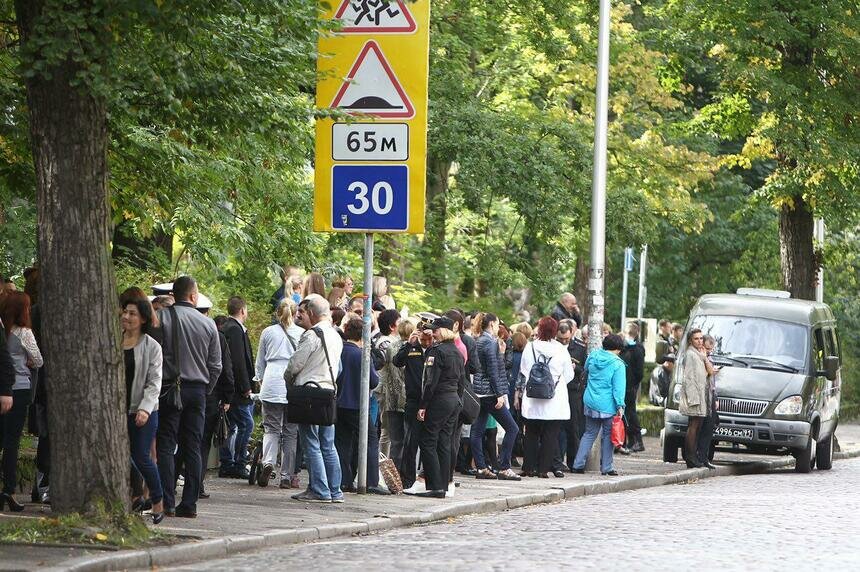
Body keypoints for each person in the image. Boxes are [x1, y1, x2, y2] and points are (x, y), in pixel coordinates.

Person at [156, 276, 222, 518]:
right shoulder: (208, 324)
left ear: (174, 295)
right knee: (193, 446)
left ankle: (167, 500)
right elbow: (216, 365)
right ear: (193, 296)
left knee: (165, 443)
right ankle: (190, 503)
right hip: (198, 391)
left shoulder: (162, 318)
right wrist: (206, 389)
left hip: (168, 387)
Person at [284, 294, 344, 503]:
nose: (300, 315)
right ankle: (335, 490)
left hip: (309, 394)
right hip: (327, 393)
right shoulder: (336, 336)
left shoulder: (312, 335)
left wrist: (288, 380)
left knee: (311, 442)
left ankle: (319, 489)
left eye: (303, 312)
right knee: (328, 444)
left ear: (311, 313)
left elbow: (294, 365)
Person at [121, 298, 165, 523]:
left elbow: (154, 382)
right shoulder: (114, 341)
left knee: (141, 456)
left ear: (144, 319)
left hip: (144, 411)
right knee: (120, 456)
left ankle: (157, 500)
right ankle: (132, 497)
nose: (126, 317)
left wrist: (145, 409)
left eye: (133, 314)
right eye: (125, 312)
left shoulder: (152, 347)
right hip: (117, 411)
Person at [515, 317, 574, 478]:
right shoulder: (561, 350)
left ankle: (528, 467)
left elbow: (524, 369)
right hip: (555, 398)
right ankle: (543, 469)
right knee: (550, 435)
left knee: (531, 434)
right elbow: (569, 375)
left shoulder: (531, 347)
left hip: (533, 398)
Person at [415, 316, 466, 498]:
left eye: (435, 330)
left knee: (428, 441)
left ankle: (435, 486)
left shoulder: (436, 352)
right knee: (445, 442)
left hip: (439, 399)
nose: (432, 332)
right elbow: (462, 382)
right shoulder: (457, 352)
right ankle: (443, 485)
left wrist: (423, 405)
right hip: (453, 400)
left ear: (442, 331)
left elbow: (430, 382)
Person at [333, 318, 386, 494]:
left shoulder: (338, 351)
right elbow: (373, 381)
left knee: (342, 442)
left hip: (339, 403)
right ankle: (371, 481)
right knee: (371, 439)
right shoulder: (362, 354)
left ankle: (343, 480)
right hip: (357, 405)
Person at [0, 292, 43, 511]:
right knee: (12, 441)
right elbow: (38, 359)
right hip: (19, 388)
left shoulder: (3, 331)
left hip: (2, 389)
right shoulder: (24, 333)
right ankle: (8, 489)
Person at [256, 298, 303, 488]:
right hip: (291, 384)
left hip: (271, 381)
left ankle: (267, 462)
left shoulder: (268, 332)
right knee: (291, 432)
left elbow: (260, 362)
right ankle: (286, 474)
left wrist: (260, 382)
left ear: (277, 313)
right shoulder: (302, 334)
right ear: (296, 313)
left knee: (271, 428)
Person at [469, 313, 521, 481]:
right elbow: (493, 370)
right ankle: (504, 467)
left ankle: (481, 467)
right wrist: (499, 394)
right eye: (497, 324)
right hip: (490, 393)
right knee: (513, 428)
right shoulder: (490, 342)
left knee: (477, 432)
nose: (499, 327)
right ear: (491, 324)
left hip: (479, 391)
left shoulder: (477, 340)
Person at [571, 334, 626, 476]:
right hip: (608, 404)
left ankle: (577, 464)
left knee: (589, 433)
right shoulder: (618, 364)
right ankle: (607, 467)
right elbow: (618, 388)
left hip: (590, 400)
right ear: (618, 348)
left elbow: (586, 371)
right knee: (608, 436)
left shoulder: (593, 356)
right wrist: (620, 405)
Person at [393, 313, 436, 487]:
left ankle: (429, 477)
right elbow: (397, 361)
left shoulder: (436, 349)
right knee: (410, 441)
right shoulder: (412, 347)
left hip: (432, 401)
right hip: (413, 400)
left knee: (431, 441)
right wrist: (407, 345)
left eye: (428, 334)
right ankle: (407, 478)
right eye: (422, 333)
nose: (425, 338)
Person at [219, 296, 255, 479]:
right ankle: (239, 462)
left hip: (230, 386)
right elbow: (238, 361)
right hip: (236, 388)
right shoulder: (234, 330)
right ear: (243, 310)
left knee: (232, 425)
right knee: (246, 424)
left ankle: (227, 462)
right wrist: (246, 386)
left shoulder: (227, 328)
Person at [200, 315, 235, 497]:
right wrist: (228, 396)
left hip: (181, 390)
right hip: (210, 394)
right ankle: (197, 485)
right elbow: (223, 367)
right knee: (203, 442)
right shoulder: (216, 335)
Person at [680, 328, 713, 469]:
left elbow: (707, 373)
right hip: (695, 396)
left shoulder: (699, 354)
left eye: (701, 338)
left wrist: (705, 358)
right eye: (696, 339)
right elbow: (689, 378)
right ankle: (690, 457)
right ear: (690, 340)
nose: (699, 341)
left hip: (701, 395)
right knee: (693, 426)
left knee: (697, 426)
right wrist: (694, 399)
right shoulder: (690, 355)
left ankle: (693, 457)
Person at [376, 310, 406, 465]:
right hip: (386, 392)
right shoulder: (387, 343)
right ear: (392, 325)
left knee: (388, 431)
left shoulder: (388, 341)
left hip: (388, 391)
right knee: (386, 430)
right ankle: (383, 464)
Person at [559, 319, 587, 470]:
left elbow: (585, 369)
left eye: (566, 339)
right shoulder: (555, 347)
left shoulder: (580, 348)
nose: (564, 342)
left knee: (573, 428)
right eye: (561, 339)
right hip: (557, 391)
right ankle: (556, 460)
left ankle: (574, 463)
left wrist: (575, 367)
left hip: (573, 391)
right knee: (557, 428)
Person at [620, 322, 646, 453]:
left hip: (629, 387)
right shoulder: (629, 348)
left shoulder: (636, 349)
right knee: (627, 413)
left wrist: (633, 385)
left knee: (629, 413)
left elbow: (639, 373)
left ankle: (636, 441)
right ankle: (629, 441)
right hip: (626, 385)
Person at [697, 335, 719, 469]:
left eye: (711, 349)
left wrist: (716, 397)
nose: (709, 352)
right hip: (702, 396)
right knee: (702, 428)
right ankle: (700, 456)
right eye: (707, 349)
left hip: (710, 395)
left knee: (710, 427)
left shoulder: (709, 358)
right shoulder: (699, 358)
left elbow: (713, 383)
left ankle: (704, 456)